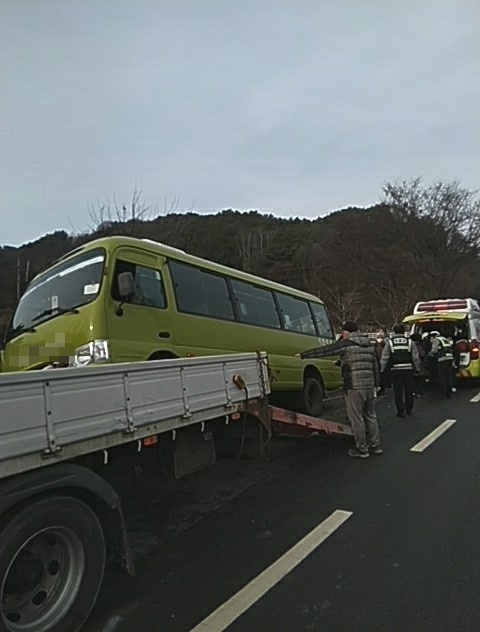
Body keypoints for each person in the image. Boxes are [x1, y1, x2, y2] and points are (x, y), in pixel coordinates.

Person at [300, 320, 382, 458]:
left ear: (345, 332)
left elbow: (327, 350)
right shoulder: (369, 345)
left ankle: (362, 449)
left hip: (354, 386)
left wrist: (305, 355)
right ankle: (376, 445)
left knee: (357, 418)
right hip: (370, 385)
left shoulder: (347, 343)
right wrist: (377, 383)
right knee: (371, 415)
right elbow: (375, 366)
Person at [380, 324, 420, 417]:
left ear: (394, 332)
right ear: (403, 331)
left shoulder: (390, 342)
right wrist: (417, 368)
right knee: (409, 390)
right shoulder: (410, 342)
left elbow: (385, 357)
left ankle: (400, 411)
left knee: (398, 391)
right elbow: (415, 356)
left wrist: (382, 369)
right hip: (408, 369)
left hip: (395, 369)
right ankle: (409, 409)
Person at [429, 331, 454, 398]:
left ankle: (444, 393)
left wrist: (430, 354)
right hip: (450, 358)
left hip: (442, 359)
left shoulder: (436, 340)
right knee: (448, 376)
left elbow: (434, 350)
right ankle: (449, 391)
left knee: (442, 376)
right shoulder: (444, 339)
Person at [410, 333, 428, 398]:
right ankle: (419, 393)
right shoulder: (418, 345)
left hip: (411, 364)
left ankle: (413, 392)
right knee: (421, 379)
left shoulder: (410, 345)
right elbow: (422, 354)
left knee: (413, 379)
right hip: (420, 364)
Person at [374, 330, 390, 395]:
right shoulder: (375, 346)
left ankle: (382, 388)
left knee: (382, 376)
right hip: (378, 362)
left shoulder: (384, 345)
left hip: (382, 362)